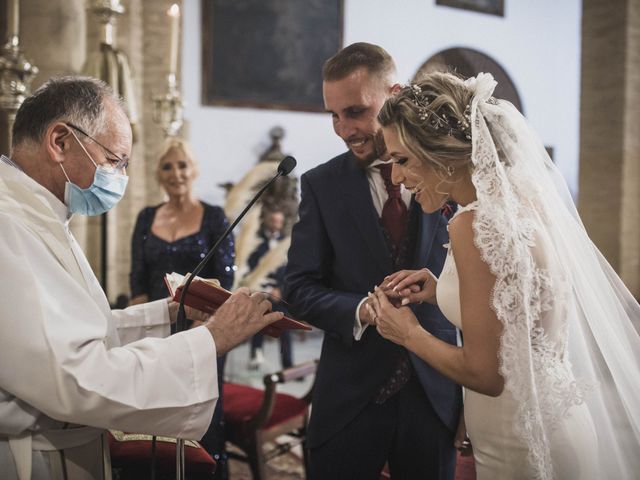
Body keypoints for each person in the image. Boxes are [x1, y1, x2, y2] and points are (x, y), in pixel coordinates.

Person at [0, 76, 283, 480]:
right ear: (60, 141)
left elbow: (63, 333)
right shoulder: (9, 224)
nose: (118, 175)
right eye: (114, 160)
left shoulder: (39, 214)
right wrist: (210, 338)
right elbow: (76, 378)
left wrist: (167, 314)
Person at [371, 72, 640, 479]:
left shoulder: (473, 225)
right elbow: (521, 307)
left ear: (440, 152)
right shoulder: (524, 198)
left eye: (402, 160)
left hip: (521, 443)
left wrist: (407, 332)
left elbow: (486, 374)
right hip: (558, 421)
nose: (396, 178)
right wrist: (441, 289)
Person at [284, 43, 462, 479]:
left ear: (394, 94)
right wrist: (362, 310)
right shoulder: (321, 185)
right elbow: (298, 288)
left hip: (434, 392)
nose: (344, 130)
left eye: (356, 111)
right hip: (350, 398)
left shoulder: (451, 175)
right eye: (333, 116)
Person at [129, 138, 235, 476]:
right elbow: (137, 279)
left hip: (204, 332)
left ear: (195, 170)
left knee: (198, 413)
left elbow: (225, 285)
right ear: (158, 175)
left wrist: (200, 332)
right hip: (155, 331)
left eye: (182, 165)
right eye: (167, 166)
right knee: (153, 411)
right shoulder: (146, 218)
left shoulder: (215, 218)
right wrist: (143, 330)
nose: (176, 173)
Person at [241, 208, 293, 370]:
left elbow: (291, 271)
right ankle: (255, 358)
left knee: (285, 330)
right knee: (257, 328)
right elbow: (251, 267)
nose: (276, 224)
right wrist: (265, 288)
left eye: (279, 221)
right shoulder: (256, 241)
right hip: (260, 291)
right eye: (273, 221)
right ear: (267, 221)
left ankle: (288, 365)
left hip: (280, 294)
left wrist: (280, 289)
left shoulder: (287, 243)